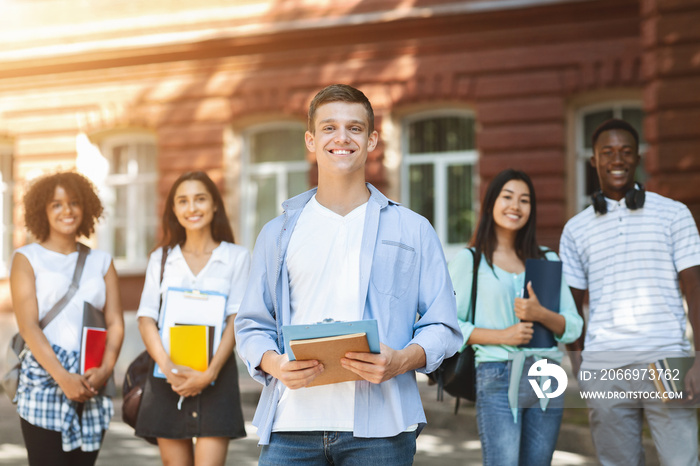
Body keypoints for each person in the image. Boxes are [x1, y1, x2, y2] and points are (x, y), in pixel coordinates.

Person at [234, 83, 462, 464]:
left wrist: (403, 360)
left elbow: (444, 324)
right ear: (310, 140)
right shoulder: (277, 233)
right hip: (291, 427)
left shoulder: (413, 229)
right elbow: (252, 324)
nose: (342, 137)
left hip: (382, 432)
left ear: (372, 140)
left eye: (355, 128)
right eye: (329, 128)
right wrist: (276, 365)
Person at [560, 118, 700, 466]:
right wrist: (581, 368)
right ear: (593, 160)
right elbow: (571, 309)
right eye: (607, 152)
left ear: (638, 158)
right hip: (605, 365)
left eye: (625, 152)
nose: (616, 159)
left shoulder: (674, 214)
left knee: (683, 461)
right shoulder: (575, 229)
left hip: (668, 358)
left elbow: (696, 288)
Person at [449, 168, 583, 465]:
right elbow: (448, 327)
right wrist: (503, 336)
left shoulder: (547, 260)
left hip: (547, 374)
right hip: (496, 372)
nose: (515, 206)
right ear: (491, 203)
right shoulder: (470, 261)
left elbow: (573, 327)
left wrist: (541, 314)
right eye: (507, 196)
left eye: (524, 200)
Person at [9, 171, 124, 466]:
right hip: (44, 378)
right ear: (42, 211)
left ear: (86, 208)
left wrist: (105, 369)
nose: (67, 210)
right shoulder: (27, 257)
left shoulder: (102, 261)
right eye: (56, 204)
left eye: (73, 202)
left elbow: (115, 323)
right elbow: (28, 325)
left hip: (90, 379)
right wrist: (63, 379)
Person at [135, 171, 249, 466]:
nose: (192, 208)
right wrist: (167, 366)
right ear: (173, 209)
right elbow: (146, 318)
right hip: (166, 377)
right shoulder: (160, 258)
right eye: (182, 201)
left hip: (216, 375)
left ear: (214, 205)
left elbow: (235, 319)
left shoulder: (236, 257)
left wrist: (210, 373)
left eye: (200, 199)